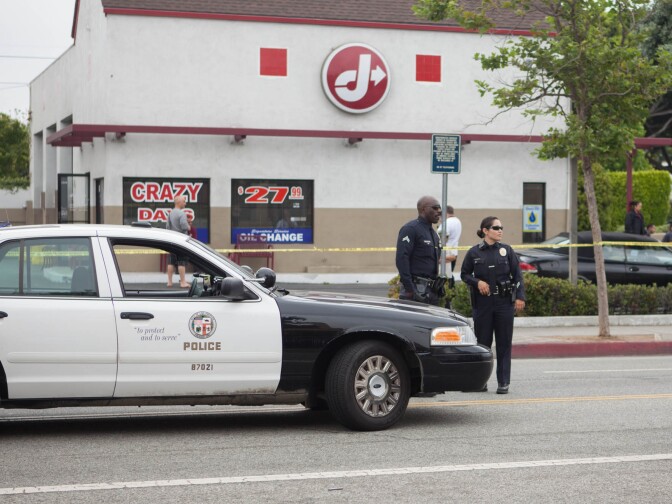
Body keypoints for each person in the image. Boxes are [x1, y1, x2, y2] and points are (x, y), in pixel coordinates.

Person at [461, 216, 525, 394]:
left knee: (504, 343)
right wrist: (477, 282)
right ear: (485, 230)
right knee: (483, 344)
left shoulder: (507, 250)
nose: (500, 231)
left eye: (501, 227)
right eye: (496, 228)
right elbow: (464, 274)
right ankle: (480, 382)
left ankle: (503, 382)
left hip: (504, 304)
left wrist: (520, 297)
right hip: (483, 305)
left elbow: (517, 276)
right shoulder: (474, 252)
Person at [395, 196, 444, 305]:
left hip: (431, 292)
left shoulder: (434, 234)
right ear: (423, 209)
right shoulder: (411, 229)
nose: (439, 211)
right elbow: (402, 258)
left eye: (440, 208)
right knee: (413, 322)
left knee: (432, 322)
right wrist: (410, 289)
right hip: (415, 290)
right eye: (435, 208)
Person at [166, 195, 190, 288]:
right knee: (181, 261)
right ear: (179, 202)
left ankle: (169, 282)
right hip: (181, 240)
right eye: (184, 201)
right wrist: (188, 227)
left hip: (172, 240)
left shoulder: (170, 213)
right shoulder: (181, 214)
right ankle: (183, 282)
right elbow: (184, 226)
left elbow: (167, 227)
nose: (185, 203)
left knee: (171, 261)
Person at [437, 205, 462, 288]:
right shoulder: (457, 221)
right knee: (449, 280)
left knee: (442, 282)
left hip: (445, 255)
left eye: (440, 214)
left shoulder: (445, 224)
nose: (439, 217)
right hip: (453, 254)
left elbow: (440, 240)